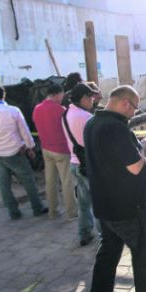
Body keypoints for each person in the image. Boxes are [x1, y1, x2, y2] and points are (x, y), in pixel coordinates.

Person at [84, 85, 146, 292]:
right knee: (143, 253)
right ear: (125, 103)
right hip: (128, 206)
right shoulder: (116, 128)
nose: (134, 113)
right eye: (134, 108)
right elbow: (134, 166)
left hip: (103, 206)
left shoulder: (92, 123)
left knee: (108, 256)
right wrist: (142, 148)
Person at [0, 83, 48, 220]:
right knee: (28, 181)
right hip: (16, 152)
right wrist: (30, 147)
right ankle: (37, 208)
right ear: (3, 95)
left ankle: (13, 212)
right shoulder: (13, 111)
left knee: (4, 185)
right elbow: (25, 131)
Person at [61, 83, 100, 246]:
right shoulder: (87, 118)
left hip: (75, 164)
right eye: (90, 97)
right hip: (89, 166)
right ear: (83, 98)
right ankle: (106, 237)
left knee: (83, 203)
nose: (92, 100)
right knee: (99, 204)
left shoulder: (66, 114)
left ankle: (84, 233)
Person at [32, 83, 77, 219]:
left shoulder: (37, 108)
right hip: (61, 150)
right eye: (62, 95)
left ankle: (53, 211)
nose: (62, 98)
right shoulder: (61, 110)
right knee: (67, 182)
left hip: (46, 149)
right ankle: (72, 213)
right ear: (57, 94)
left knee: (50, 181)